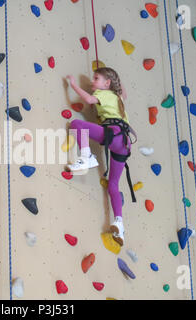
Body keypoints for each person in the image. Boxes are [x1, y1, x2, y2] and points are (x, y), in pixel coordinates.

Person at [66, 67, 136, 246]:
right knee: (113, 185)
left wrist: (73, 85)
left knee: (76, 124)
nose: (92, 82)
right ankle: (119, 223)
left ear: (107, 83)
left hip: (114, 134)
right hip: (124, 144)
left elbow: (89, 99)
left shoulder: (105, 94)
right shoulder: (119, 98)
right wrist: (115, 80)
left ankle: (87, 156)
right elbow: (124, 92)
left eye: (96, 78)